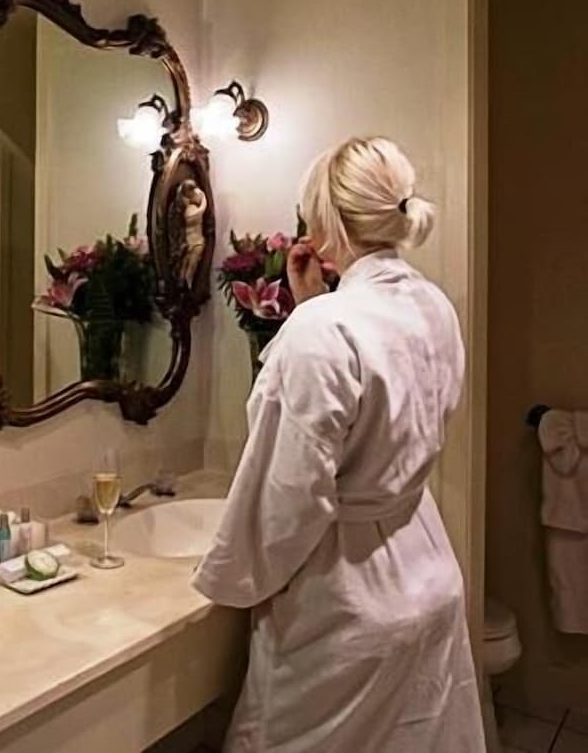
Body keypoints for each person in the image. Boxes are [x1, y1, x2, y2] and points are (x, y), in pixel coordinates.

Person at [194, 137, 484, 752]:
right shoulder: (432, 305)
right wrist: (312, 306)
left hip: (347, 607)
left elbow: (288, 498)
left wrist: (231, 577)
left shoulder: (322, 330)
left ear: (324, 221)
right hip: (427, 571)